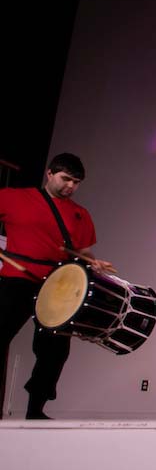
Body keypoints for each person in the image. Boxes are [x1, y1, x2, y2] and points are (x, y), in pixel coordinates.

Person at [0, 153, 113, 419]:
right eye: (65, 179)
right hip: (16, 280)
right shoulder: (14, 198)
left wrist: (93, 264)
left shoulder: (80, 214)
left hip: (55, 286)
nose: (70, 187)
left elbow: (83, 252)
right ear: (49, 174)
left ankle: (35, 410)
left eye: (75, 182)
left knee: (54, 352)